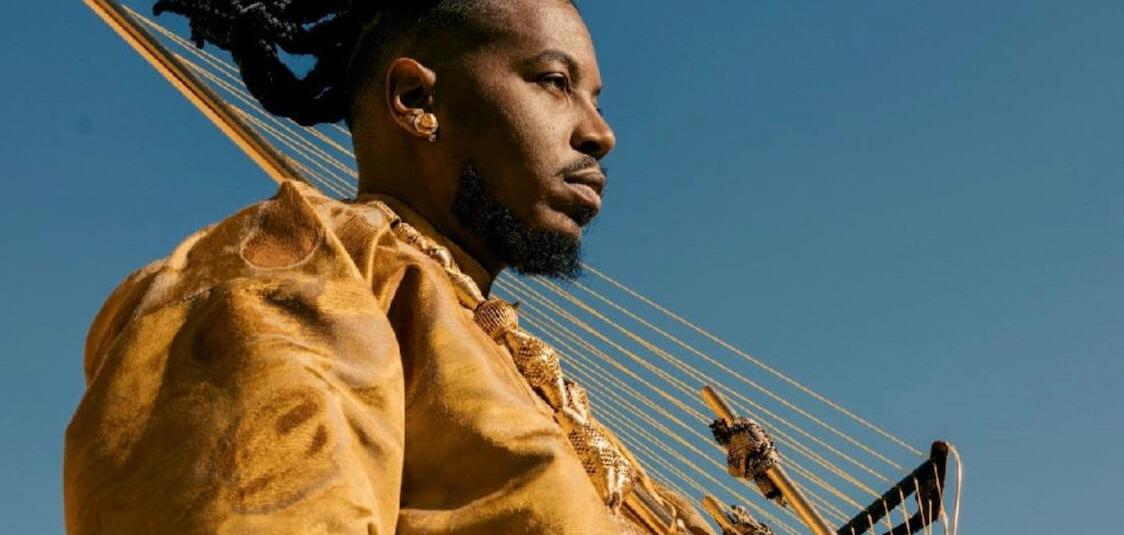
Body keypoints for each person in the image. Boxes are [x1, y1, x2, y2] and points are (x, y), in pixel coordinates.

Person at [63, 0, 715, 533]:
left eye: (596, 99)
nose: (600, 133)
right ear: (415, 99)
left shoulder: (500, 348)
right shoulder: (289, 268)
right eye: (555, 82)